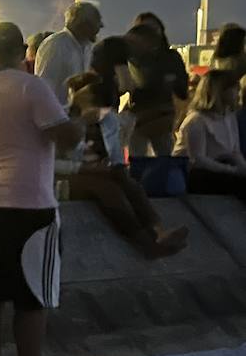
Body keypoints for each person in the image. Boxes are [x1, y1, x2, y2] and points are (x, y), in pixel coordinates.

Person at [0, 21, 96, 356]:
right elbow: (65, 138)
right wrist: (82, 114)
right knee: (32, 297)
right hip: (28, 201)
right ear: (23, 51)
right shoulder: (29, 85)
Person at [62, 70, 187, 257]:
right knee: (108, 190)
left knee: (125, 181)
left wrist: (114, 166)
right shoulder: (64, 120)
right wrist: (81, 126)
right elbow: (62, 159)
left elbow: (115, 152)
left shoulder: (107, 119)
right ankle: (147, 242)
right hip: (69, 174)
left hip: (97, 169)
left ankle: (158, 232)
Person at [175, 69, 246, 198]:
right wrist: (233, 171)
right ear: (220, 92)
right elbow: (198, 160)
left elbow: (235, 151)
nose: (238, 94)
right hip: (198, 174)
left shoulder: (229, 117)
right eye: (234, 90)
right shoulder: (197, 121)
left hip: (222, 167)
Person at [125, 15, 188, 157]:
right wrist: (166, 79)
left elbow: (182, 90)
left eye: (152, 29)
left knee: (164, 158)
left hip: (162, 116)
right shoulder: (131, 58)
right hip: (139, 117)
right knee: (137, 160)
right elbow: (143, 81)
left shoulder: (171, 57)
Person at [35, 1, 103, 100]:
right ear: (82, 24)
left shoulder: (88, 47)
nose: (98, 29)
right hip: (59, 113)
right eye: (95, 25)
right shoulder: (55, 45)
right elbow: (45, 87)